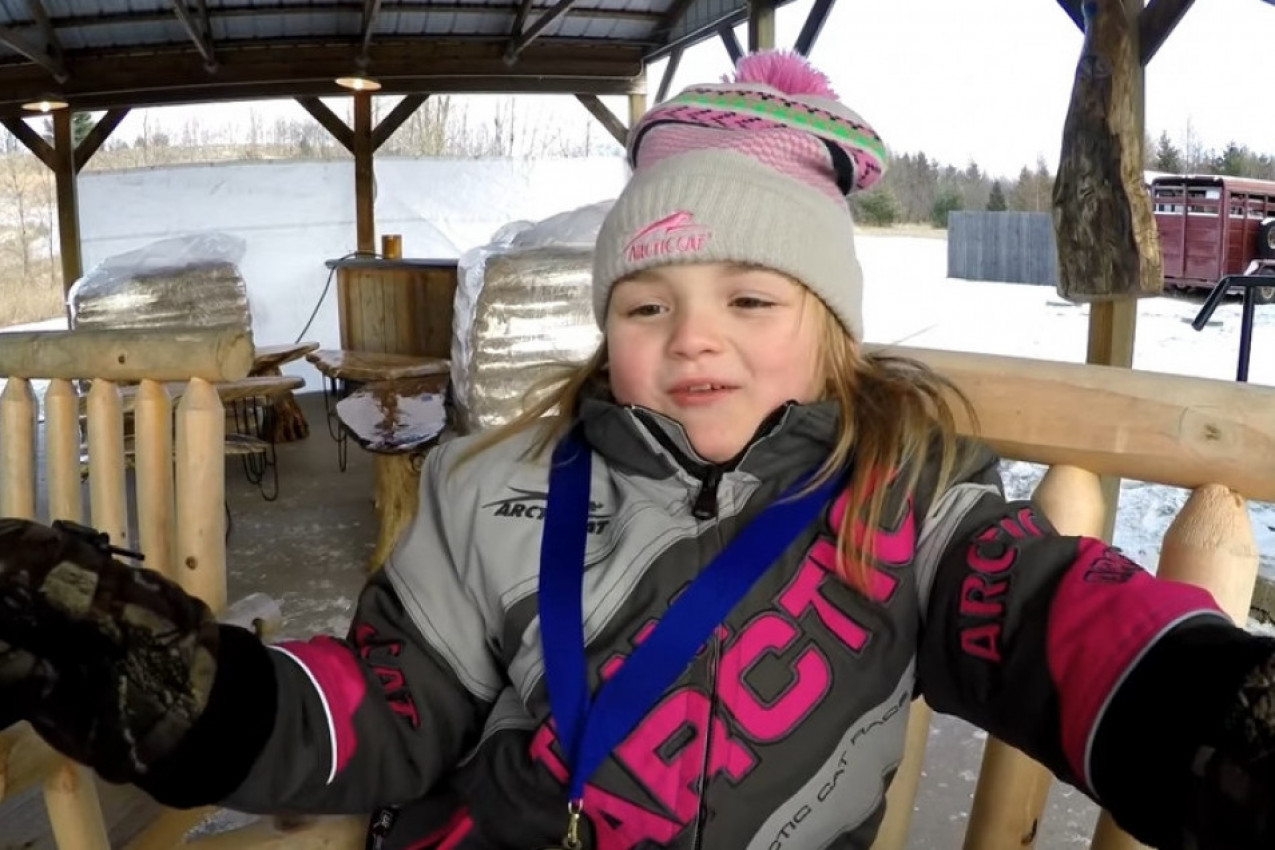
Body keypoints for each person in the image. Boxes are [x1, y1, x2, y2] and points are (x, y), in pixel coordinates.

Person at [1, 50, 1274, 850]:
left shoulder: (912, 502)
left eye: (752, 300)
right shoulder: (491, 484)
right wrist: (210, 704)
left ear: (834, 332)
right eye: (645, 304)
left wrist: (1206, 716)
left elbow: (1054, 625)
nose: (691, 341)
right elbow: (388, 707)